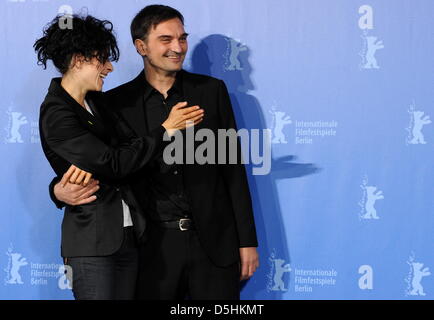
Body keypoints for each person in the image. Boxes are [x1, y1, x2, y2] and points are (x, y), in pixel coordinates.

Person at [51, 5, 259, 300]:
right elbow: (105, 164)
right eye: (166, 39)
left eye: (182, 38)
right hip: (151, 249)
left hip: (213, 244)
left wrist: (247, 241)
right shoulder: (113, 103)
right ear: (141, 47)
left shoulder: (211, 92)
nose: (177, 47)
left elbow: (232, 169)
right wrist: (57, 191)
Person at [35, 13, 203, 300]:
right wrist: (166, 130)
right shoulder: (57, 113)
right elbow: (114, 163)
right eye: (103, 59)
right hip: (93, 244)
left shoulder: (98, 103)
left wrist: (57, 189)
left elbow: (130, 151)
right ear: (78, 60)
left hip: (129, 236)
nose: (110, 68)